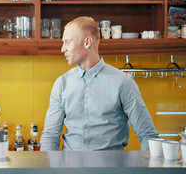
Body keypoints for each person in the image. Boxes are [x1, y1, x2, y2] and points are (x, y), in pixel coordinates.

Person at [40, 16, 158, 151]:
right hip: (70, 170)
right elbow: (50, 136)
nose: (62, 49)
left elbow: (148, 135)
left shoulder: (123, 82)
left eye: (68, 42)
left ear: (87, 42)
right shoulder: (61, 84)